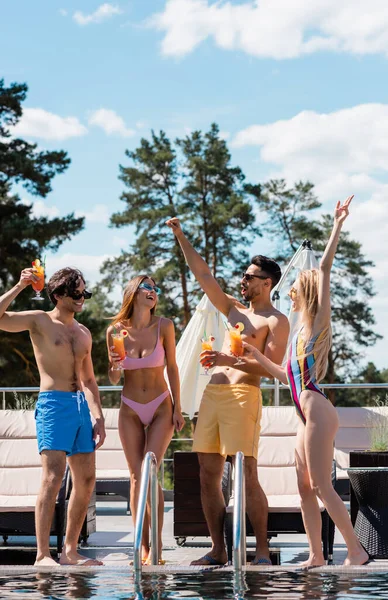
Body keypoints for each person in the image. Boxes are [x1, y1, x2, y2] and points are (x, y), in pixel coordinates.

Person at [243, 196, 369, 566]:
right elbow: (286, 376)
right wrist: (255, 357)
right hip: (304, 414)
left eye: (294, 288)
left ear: (305, 293)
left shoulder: (316, 326)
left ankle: (356, 552)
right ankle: (316, 554)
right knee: (304, 489)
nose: (289, 292)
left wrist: (337, 225)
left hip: (317, 410)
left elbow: (325, 267)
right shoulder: (298, 337)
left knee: (321, 485)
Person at [166, 217, 290, 566]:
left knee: (247, 474)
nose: (243, 280)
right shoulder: (233, 309)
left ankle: (262, 550)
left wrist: (228, 359)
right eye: (244, 276)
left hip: (242, 398)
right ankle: (218, 549)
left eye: (249, 277)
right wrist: (181, 235)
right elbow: (204, 277)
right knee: (207, 473)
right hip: (212, 398)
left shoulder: (275, 321)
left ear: (266, 284)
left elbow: (272, 369)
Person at [0, 266, 106, 567]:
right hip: (53, 404)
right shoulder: (39, 320)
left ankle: (70, 551)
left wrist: (97, 416)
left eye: (84, 292)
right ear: (58, 294)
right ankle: (43, 554)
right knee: (52, 477)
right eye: (76, 293)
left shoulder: (84, 332)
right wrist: (21, 285)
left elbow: (89, 380)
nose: (82, 298)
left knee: (86, 479)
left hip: (80, 408)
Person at [107, 274, 184, 565]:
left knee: (151, 470)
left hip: (161, 404)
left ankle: (158, 549)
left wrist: (178, 407)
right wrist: (115, 364)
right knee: (137, 477)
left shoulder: (164, 326)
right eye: (147, 287)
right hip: (129, 407)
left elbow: (173, 368)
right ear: (133, 293)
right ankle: (141, 545)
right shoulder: (116, 330)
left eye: (156, 288)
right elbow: (114, 377)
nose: (153, 292)